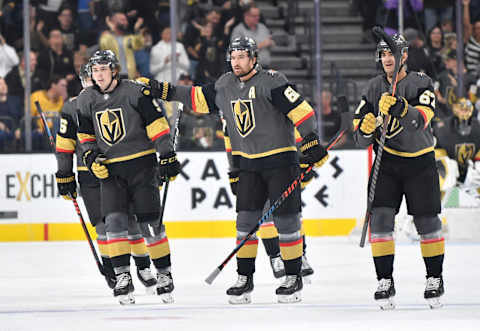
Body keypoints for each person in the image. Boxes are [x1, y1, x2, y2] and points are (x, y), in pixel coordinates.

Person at [146, 37, 329, 304]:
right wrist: (162, 90)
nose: (237, 61)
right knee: (245, 224)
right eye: (233, 56)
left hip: (281, 161)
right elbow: (195, 98)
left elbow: (302, 111)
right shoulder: (224, 85)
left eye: (242, 56)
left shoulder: (273, 81)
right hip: (248, 165)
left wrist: (310, 139)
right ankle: (245, 278)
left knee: (287, 221)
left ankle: (292, 277)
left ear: (254, 58)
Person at [76, 50, 180, 305]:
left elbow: (158, 125)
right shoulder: (85, 99)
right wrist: (90, 158)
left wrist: (166, 155)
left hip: (142, 167)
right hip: (111, 171)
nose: (98, 75)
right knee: (114, 223)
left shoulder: (135, 92)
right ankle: (123, 277)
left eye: (103, 69)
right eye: (95, 70)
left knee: (150, 225)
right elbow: (86, 135)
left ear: (114, 70)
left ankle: (164, 274)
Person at [352, 34, 445, 310]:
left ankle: (434, 278)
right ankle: (384, 280)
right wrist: (365, 128)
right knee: (380, 221)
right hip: (387, 162)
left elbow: (421, 120)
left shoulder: (421, 82)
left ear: (404, 56)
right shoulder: (372, 87)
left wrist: (402, 108)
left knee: (426, 222)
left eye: (391, 53)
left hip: (419, 162)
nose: (387, 59)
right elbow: (360, 138)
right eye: (383, 54)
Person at [55, 63, 159, 294]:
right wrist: (64, 174)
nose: (95, 81)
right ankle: (115, 272)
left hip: (117, 170)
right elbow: (64, 146)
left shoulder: (120, 97)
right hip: (89, 174)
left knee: (131, 222)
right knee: (103, 227)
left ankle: (142, 266)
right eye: (90, 77)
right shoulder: (74, 106)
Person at [223, 124, 315, 281]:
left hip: (282, 163)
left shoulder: (273, 106)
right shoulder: (233, 115)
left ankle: (299, 255)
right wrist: (234, 173)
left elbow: (295, 131)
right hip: (253, 167)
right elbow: (231, 146)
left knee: (290, 213)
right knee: (267, 212)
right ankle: (276, 257)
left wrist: (304, 159)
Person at [434, 97, 480, 206]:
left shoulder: (477, 127)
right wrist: (447, 165)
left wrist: (476, 165)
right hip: (451, 169)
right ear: (455, 109)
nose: (465, 112)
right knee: (444, 172)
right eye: (462, 109)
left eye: (467, 109)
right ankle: (435, 210)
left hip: (471, 171)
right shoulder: (442, 127)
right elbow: (437, 152)